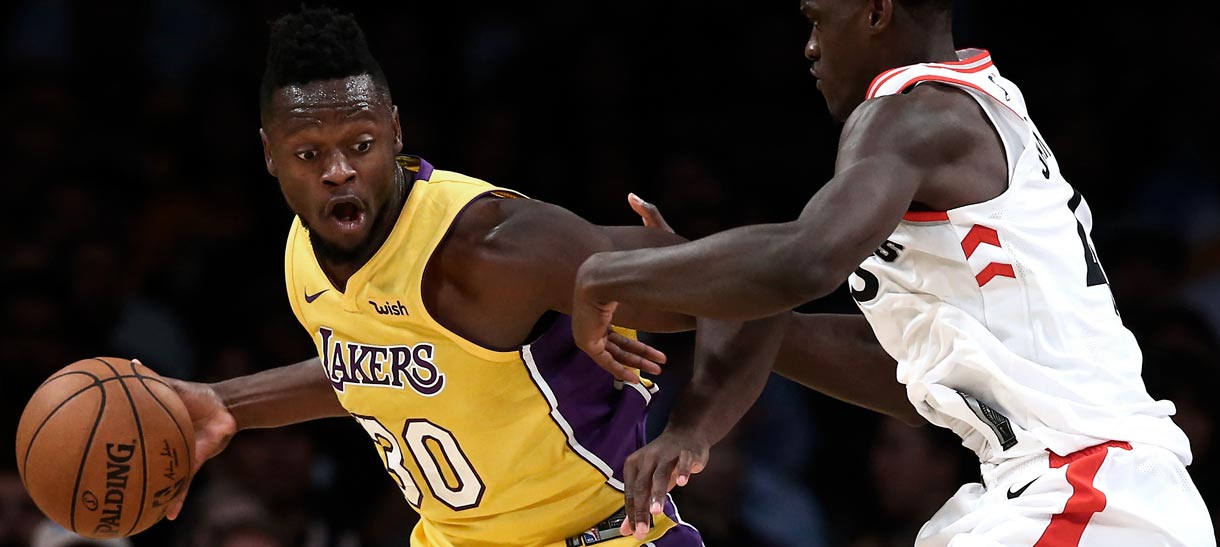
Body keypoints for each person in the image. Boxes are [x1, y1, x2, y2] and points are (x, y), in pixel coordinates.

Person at [570, 0, 1217, 545]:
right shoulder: (978, 104)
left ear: (877, 11)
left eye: (817, 20)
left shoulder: (910, 114)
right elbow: (910, 376)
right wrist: (717, 297)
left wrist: (608, 275)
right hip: (1083, 488)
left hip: (1084, 488)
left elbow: (804, 259)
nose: (809, 48)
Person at [158, 6, 714, 546]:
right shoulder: (304, 251)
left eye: (361, 145)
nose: (338, 172)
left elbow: (741, 301)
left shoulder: (489, 246)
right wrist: (228, 403)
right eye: (307, 154)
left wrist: (693, 427)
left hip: (602, 536)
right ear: (269, 153)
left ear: (395, 130)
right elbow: (380, 371)